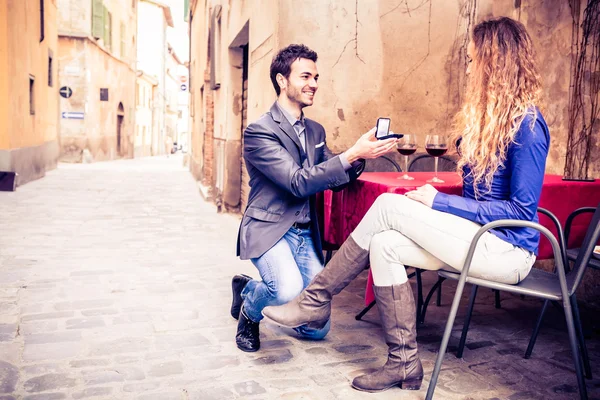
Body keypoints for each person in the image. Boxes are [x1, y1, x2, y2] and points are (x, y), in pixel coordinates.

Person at [263, 17, 550, 392]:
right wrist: (443, 195)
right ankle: (404, 363)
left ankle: (315, 298)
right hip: (477, 239)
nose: (467, 68)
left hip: (507, 251)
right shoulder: (490, 123)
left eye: (472, 60)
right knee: (384, 244)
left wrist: (442, 203)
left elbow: (520, 212)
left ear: (494, 64)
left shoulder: (527, 125)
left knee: (387, 206)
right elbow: (481, 198)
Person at [231, 44, 399, 352]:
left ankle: (251, 288)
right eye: (305, 76)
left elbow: (331, 175)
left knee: (315, 328)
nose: (314, 84)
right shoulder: (259, 131)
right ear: (282, 81)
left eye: (316, 77)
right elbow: (297, 182)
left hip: (306, 233)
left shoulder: (315, 130)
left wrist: (361, 156)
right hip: (269, 230)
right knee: (285, 289)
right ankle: (249, 308)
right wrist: (351, 154)